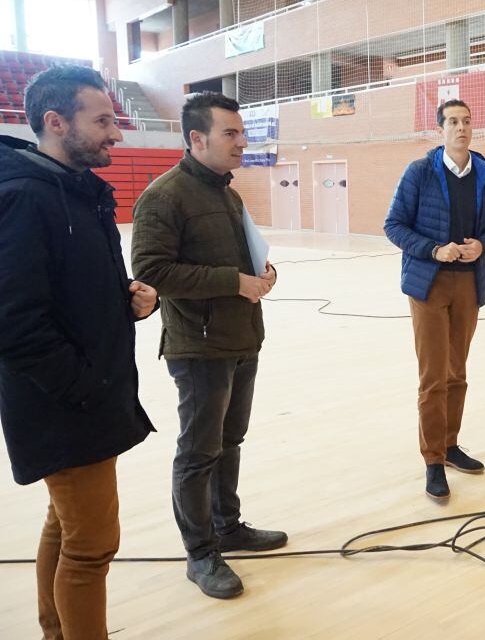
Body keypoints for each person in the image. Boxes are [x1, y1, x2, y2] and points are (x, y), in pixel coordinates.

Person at [0, 65, 156, 639]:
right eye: (103, 121)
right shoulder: (23, 198)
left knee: (64, 525)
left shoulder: (79, 191)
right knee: (91, 547)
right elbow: (15, 323)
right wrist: (85, 389)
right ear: (56, 122)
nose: (116, 133)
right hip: (65, 404)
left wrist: (128, 298)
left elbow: (68, 288)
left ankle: (55, 631)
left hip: (85, 396)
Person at [131, 92, 286, 600]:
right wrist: (233, 281)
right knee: (198, 452)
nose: (242, 143)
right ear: (197, 139)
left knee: (230, 440)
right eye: (231, 134)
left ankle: (228, 527)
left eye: (242, 133)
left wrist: (263, 273)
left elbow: (242, 259)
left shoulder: (228, 194)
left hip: (242, 338)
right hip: (198, 348)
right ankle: (200, 553)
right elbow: (152, 271)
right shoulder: (164, 196)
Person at [384, 99, 485, 501]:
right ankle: (433, 459)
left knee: (457, 373)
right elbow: (393, 225)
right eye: (453, 121)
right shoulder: (419, 172)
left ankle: (451, 445)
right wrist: (434, 249)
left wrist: (482, 246)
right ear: (441, 130)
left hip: (469, 284)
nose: (461, 127)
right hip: (429, 284)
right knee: (433, 377)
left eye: (466, 121)